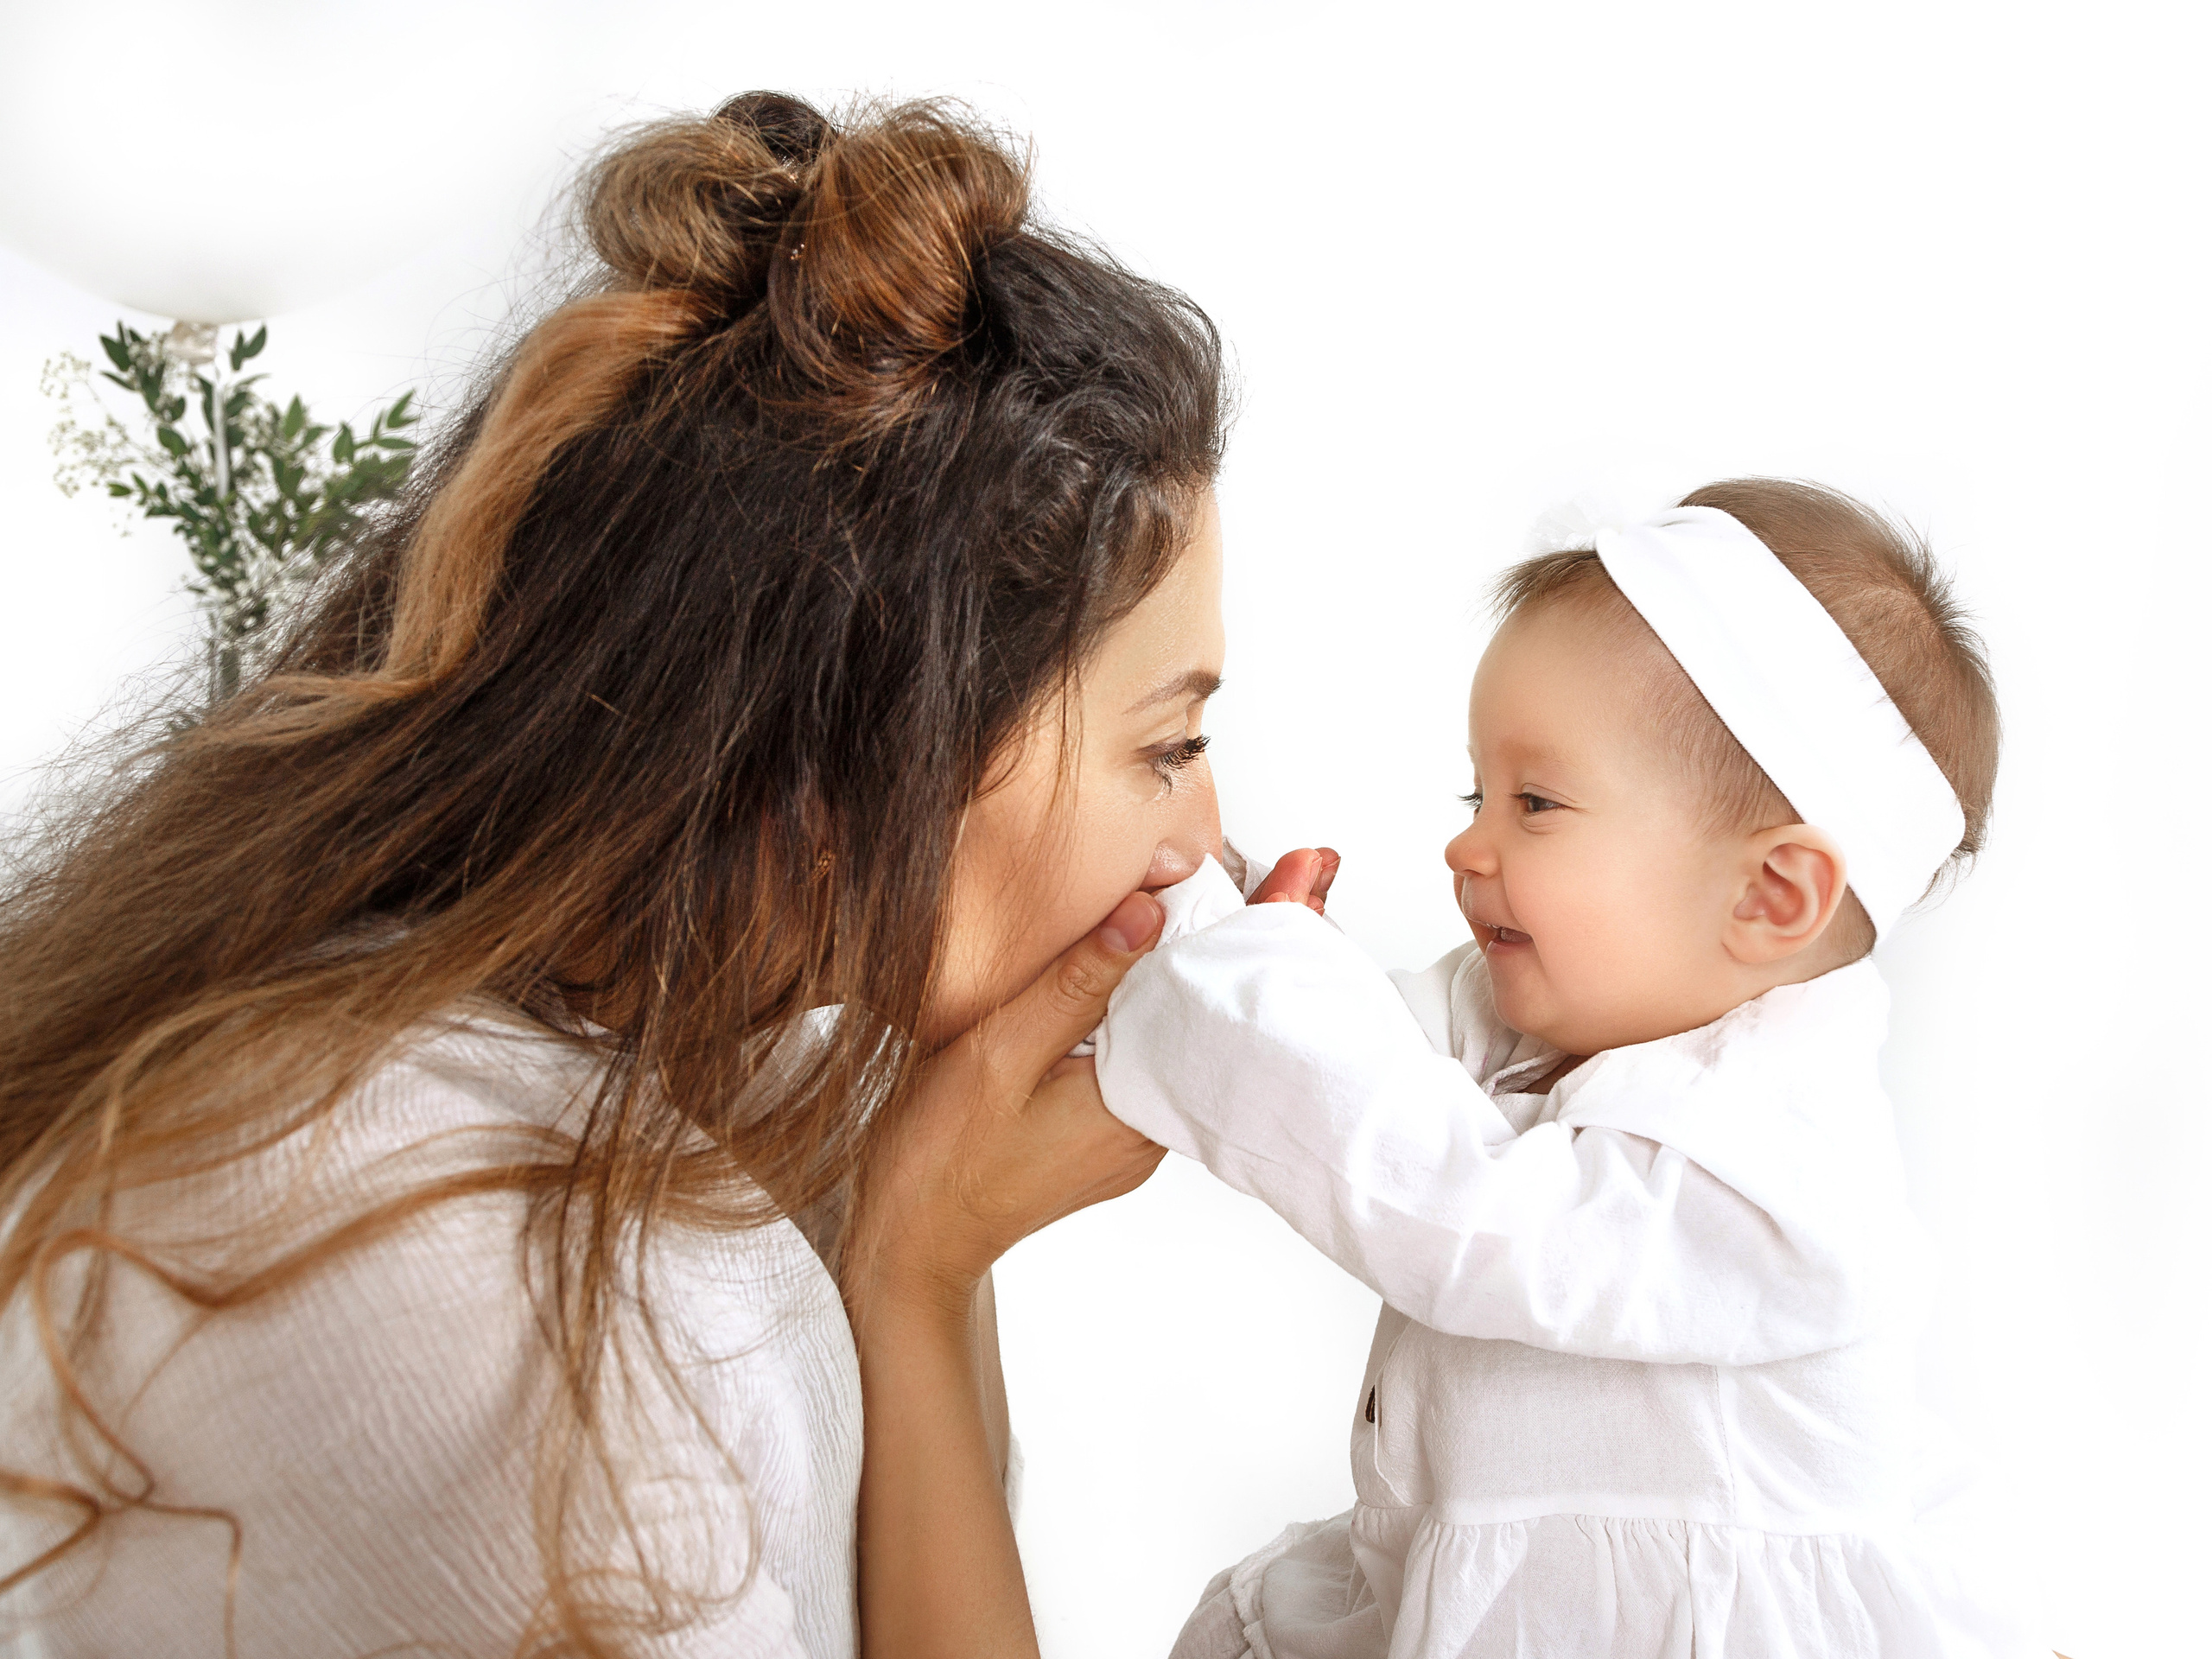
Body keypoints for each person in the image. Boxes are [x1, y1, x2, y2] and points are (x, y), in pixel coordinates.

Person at [0, 92, 1228, 1658]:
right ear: (869, 743)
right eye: (1164, 746)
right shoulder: (482, 1285)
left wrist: (924, 1250)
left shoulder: (712, 1071)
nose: (1204, 849)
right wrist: (911, 1284)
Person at [1095, 481, 2044, 1656]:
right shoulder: (1556, 1015)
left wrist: (1261, 1004)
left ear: (1769, 893)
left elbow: (1465, 1216)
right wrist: (1221, 925)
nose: (1465, 842)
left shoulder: (1781, 1174)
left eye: (1535, 802)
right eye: (1475, 792)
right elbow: (1368, 1063)